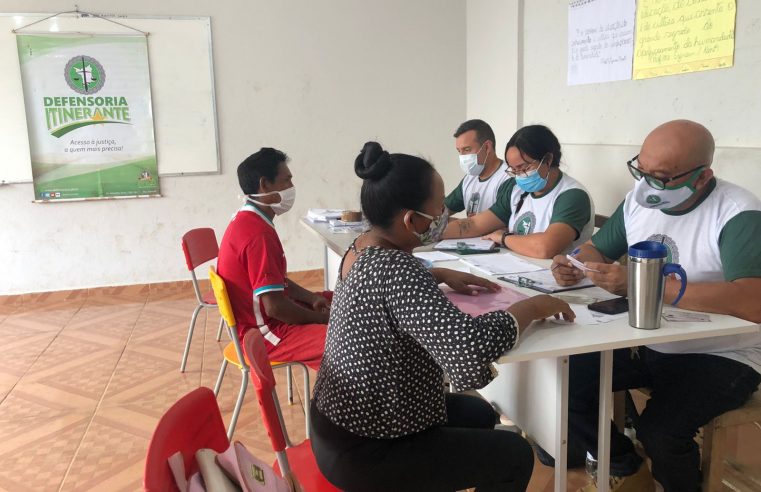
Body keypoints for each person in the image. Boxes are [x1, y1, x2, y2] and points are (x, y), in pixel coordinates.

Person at [310, 141, 577, 492]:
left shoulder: (362, 246)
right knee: (515, 455)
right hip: (366, 449)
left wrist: (438, 275)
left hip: (339, 421)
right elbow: (469, 348)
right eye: (439, 208)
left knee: (479, 414)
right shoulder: (398, 271)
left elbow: (384, 286)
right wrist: (533, 307)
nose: (445, 217)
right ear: (411, 220)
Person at [550, 120, 761, 491]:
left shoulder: (737, 213)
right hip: (647, 339)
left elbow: (753, 301)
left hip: (724, 354)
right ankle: (625, 463)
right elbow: (598, 249)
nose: (646, 185)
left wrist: (646, 286)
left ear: (701, 177)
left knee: (661, 432)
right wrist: (574, 262)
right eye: (641, 170)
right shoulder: (638, 199)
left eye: (661, 177)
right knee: (565, 380)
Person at [217, 148, 330, 370]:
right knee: (345, 339)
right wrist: (322, 320)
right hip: (264, 335)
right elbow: (275, 308)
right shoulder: (258, 235)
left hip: (265, 321)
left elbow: (277, 283)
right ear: (265, 184)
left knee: (333, 298)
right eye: (286, 180)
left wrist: (311, 298)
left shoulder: (247, 219)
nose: (291, 188)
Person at [442, 125, 594, 259]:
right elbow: (475, 224)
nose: (519, 175)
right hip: (515, 269)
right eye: (513, 170)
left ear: (547, 159)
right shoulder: (516, 189)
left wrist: (504, 238)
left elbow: (545, 248)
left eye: (523, 168)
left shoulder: (572, 196)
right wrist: (432, 232)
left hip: (555, 280)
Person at [445, 119, 510, 216]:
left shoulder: (507, 178)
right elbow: (443, 210)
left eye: (467, 149)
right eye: (459, 151)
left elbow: (488, 224)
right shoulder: (469, 178)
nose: (462, 156)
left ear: (487, 147)